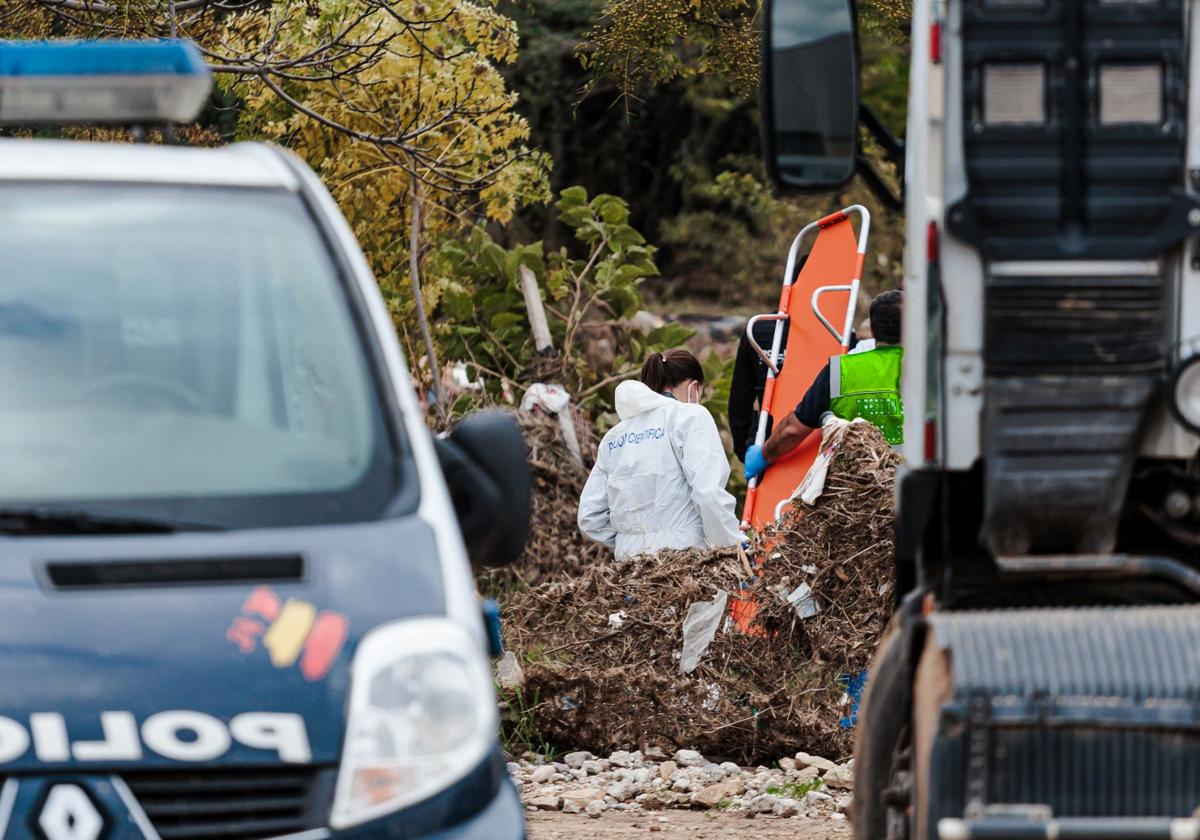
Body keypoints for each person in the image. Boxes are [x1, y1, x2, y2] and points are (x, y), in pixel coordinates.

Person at [579, 349, 744, 559]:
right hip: (685, 560)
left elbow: (589, 517)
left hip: (630, 567)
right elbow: (708, 494)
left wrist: (632, 540)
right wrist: (732, 546)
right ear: (694, 388)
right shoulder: (691, 416)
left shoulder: (614, 437)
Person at [744, 290, 903, 481]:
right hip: (912, 483)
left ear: (874, 328)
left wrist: (763, 455)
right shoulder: (930, 371)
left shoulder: (840, 369)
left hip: (854, 492)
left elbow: (792, 430)